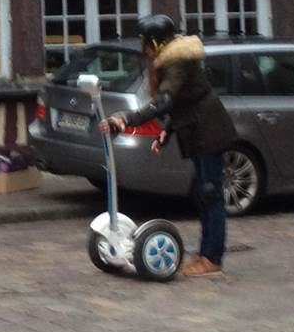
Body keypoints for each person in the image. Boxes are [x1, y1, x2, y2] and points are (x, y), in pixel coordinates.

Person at [101, 15, 237, 278]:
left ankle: (212, 258)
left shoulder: (177, 62)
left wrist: (125, 119)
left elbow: (165, 101)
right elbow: (184, 103)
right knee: (203, 194)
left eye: (145, 43)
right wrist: (166, 133)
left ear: (155, 42)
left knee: (210, 194)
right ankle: (206, 253)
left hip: (209, 133)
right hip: (199, 131)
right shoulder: (174, 60)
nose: (144, 49)